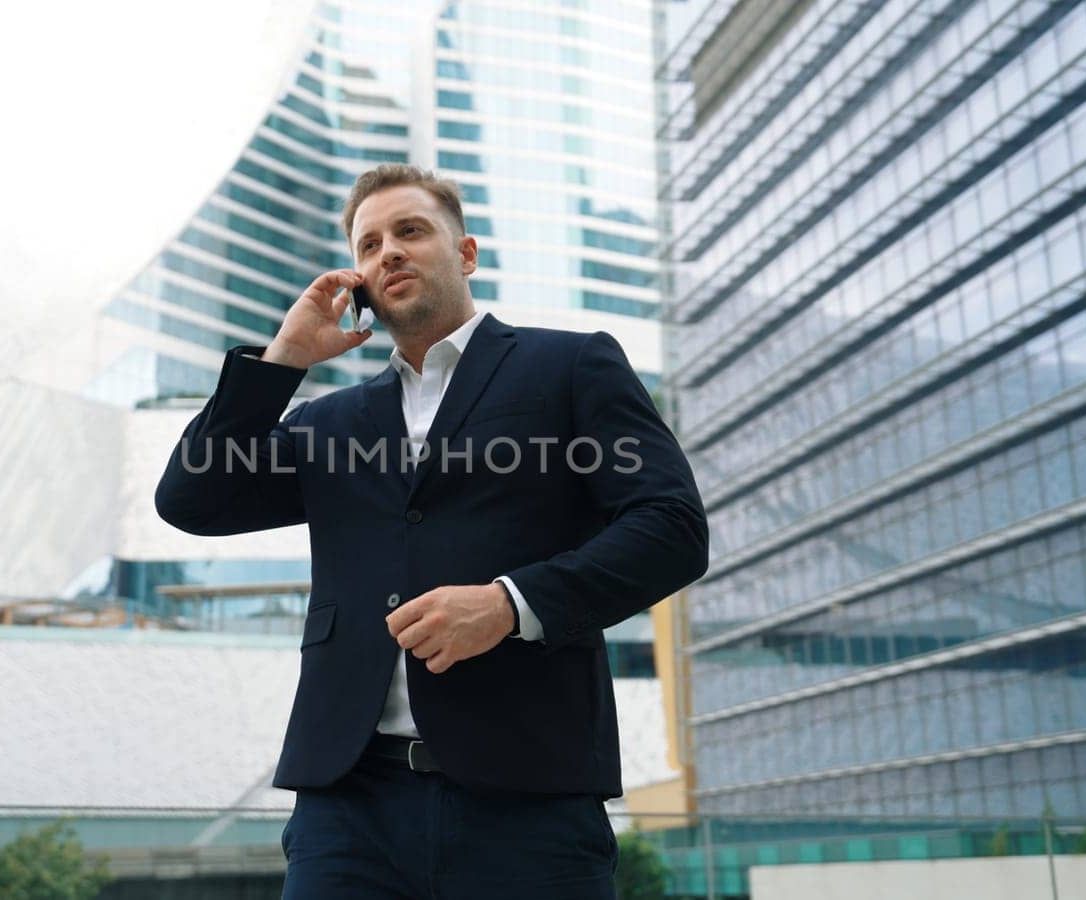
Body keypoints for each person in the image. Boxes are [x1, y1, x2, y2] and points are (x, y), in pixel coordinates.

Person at [155, 164, 707, 899]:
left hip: (530, 801)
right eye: (370, 243)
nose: (389, 252)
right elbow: (191, 498)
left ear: (466, 253)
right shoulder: (330, 422)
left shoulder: (572, 366)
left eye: (410, 231)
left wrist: (511, 604)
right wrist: (283, 359)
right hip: (348, 809)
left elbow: (672, 526)